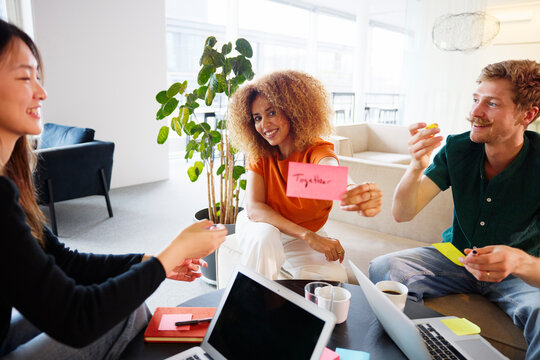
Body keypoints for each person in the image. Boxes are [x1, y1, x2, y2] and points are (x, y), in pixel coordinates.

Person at [0, 19, 227, 359]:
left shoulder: (8, 184)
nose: (42, 92)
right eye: (24, 77)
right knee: (124, 313)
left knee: (119, 298)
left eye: (38, 77)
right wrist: (168, 259)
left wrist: (146, 261)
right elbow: (77, 318)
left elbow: (62, 261)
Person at [369, 59, 540, 359]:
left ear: (527, 115)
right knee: (385, 268)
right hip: (457, 256)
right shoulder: (458, 148)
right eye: (475, 99)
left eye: (492, 103)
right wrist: (415, 166)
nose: (475, 112)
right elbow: (403, 213)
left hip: (518, 274)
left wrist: (518, 261)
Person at [228, 70, 383, 282]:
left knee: (333, 281)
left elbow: (329, 173)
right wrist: (309, 236)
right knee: (266, 237)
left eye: (271, 113)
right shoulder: (260, 153)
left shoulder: (315, 150)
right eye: (257, 118)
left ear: (292, 110)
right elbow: (255, 208)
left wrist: (350, 190)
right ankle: (254, 304)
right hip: (260, 226)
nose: (263, 125)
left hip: (296, 235)